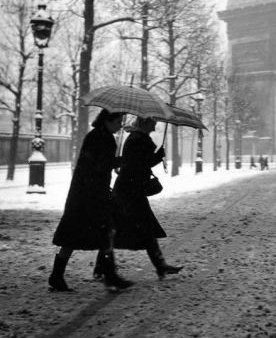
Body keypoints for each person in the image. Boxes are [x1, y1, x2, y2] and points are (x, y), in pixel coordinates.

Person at [49, 109, 134, 293]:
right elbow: (98, 165)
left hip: (87, 194)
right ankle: (61, 276)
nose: (120, 125)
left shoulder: (99, 136)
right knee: (85, 235)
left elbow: (100, 164)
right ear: (108, 120)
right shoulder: (99, 138)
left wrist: (115, 162)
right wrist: (118, 161)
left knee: (99, 233)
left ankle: (61, 275)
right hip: (89, 196)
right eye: (119, 120)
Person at [112, 116, 183, 279]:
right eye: (152, 121)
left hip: (129, 191)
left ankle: (160, 266)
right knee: (120, 230)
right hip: (129, 192)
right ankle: (103, 267)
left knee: (137, 229)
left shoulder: (138, 138)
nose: (156, 123)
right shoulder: (138, 139)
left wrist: (155, 156)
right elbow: (137, 165)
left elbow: (138, 164)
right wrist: (157, 156)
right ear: (144, 123)